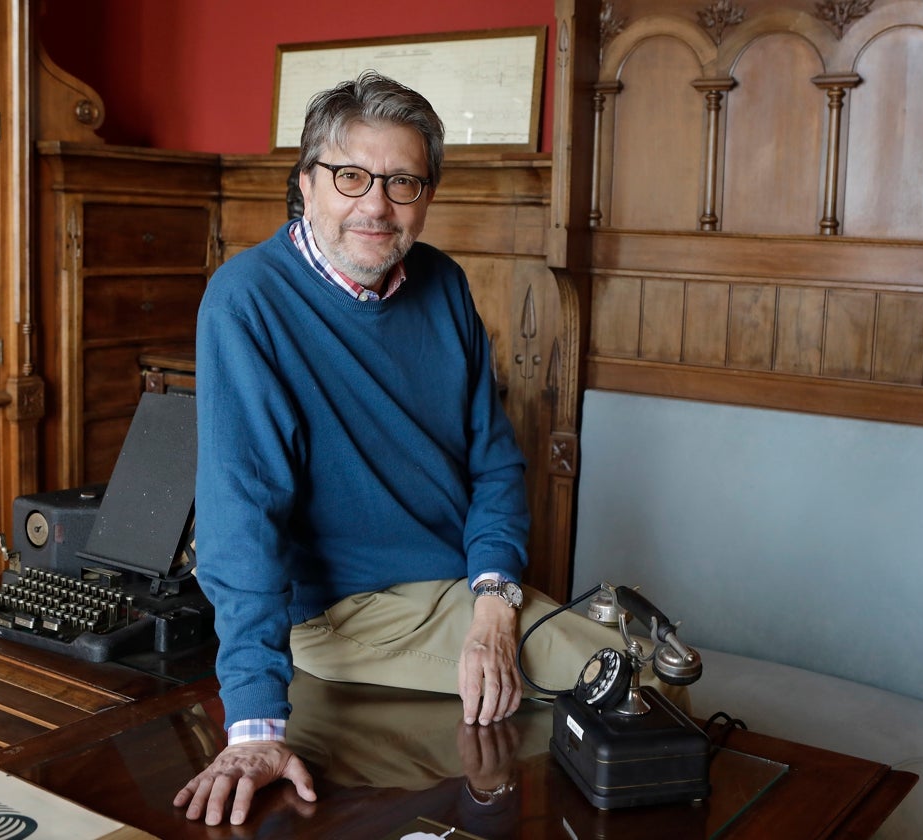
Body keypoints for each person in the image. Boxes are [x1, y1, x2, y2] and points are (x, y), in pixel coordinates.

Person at [173, 71, 688, 826]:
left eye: (403, 182)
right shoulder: (247, 299)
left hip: (455, 590)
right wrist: (254, 725)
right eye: (351, 176)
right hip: (349, 610)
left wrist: (493, 605)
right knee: (641, 688)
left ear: (428, 196)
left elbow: (495, 466)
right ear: (306, 185)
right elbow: (239, 516)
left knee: (641, 683)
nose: (375, 204)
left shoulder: (442, 283)